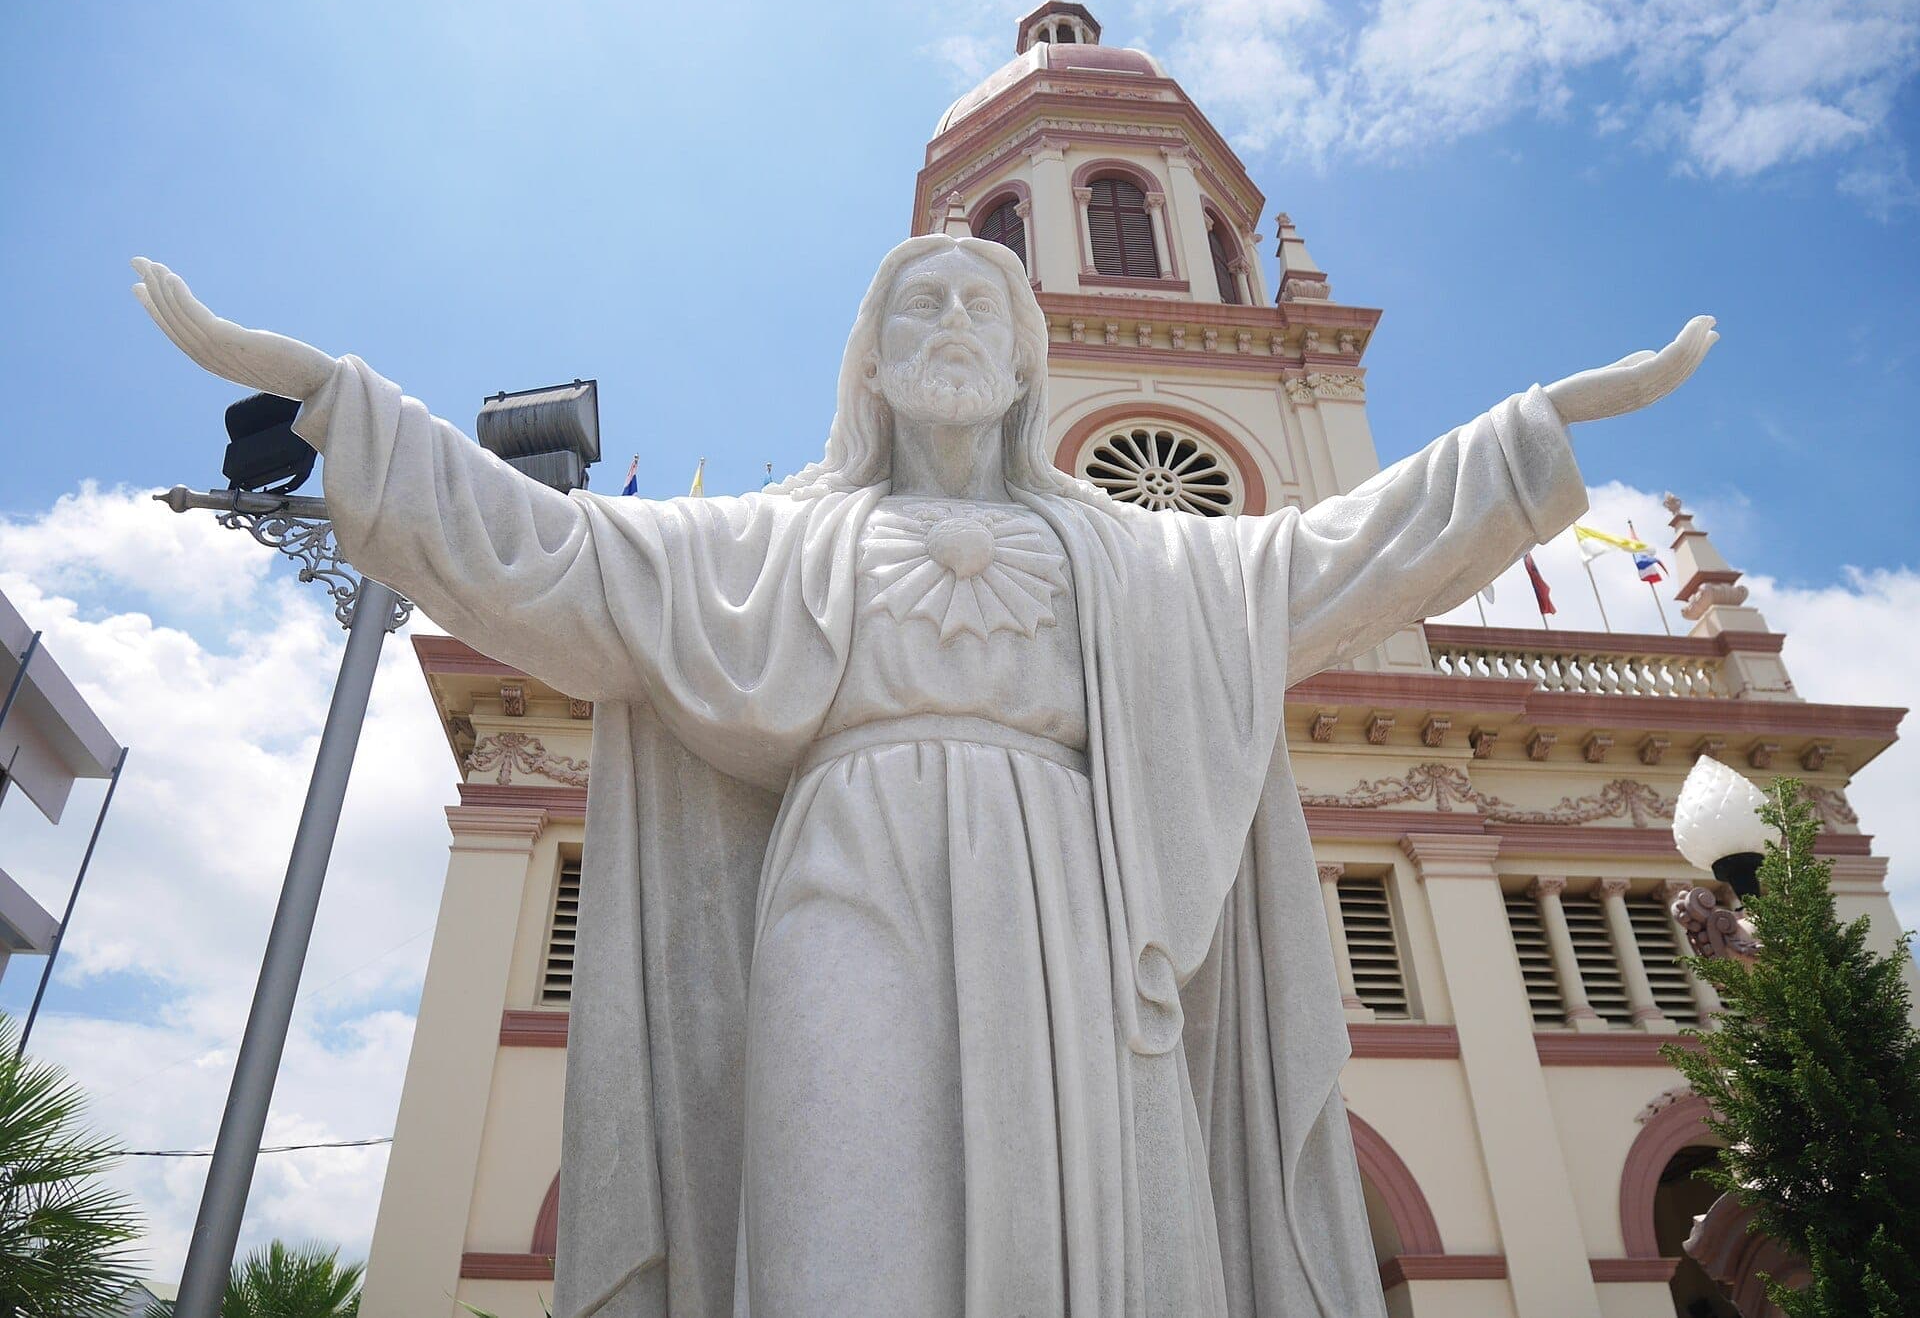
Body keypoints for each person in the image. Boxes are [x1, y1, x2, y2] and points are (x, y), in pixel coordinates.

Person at [133, 239, 1716, 1318]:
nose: (951, 331)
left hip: (1072, 911)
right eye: (917, 313)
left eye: (983, 313)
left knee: (1091, 1242)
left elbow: (1335, 550)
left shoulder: (1139, 558)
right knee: (834, 1223)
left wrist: (1532, 435)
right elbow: (547, 553)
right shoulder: (774, 536)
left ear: (1029, 362)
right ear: (869, 366)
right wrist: (343, 403)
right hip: (848, 880)